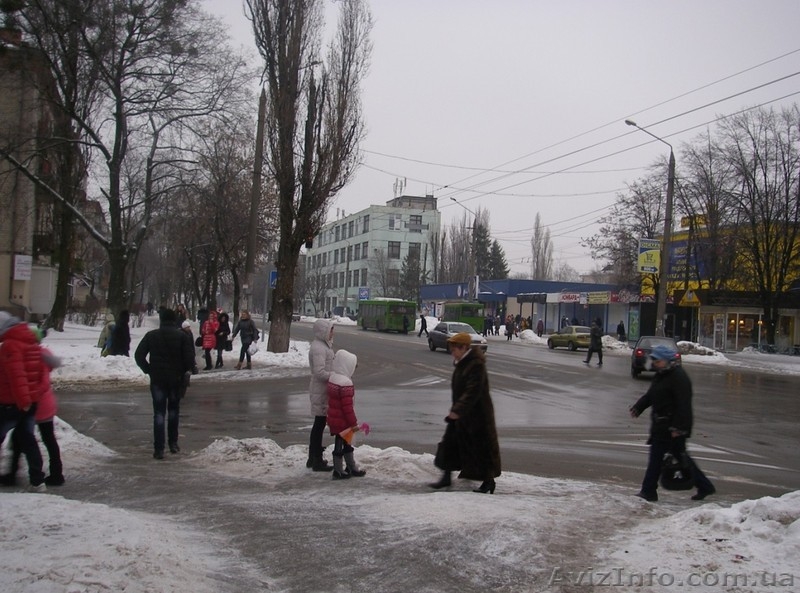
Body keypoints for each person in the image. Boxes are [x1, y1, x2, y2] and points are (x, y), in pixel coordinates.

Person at [629, 344, 716, 502]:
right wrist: (638, 407)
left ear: (667, 360)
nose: (654, 362)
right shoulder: (662, 375)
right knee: (677, 459)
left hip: (672, 428)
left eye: (657, 360)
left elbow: (683, 405)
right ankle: (704, 486)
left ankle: (648, 491)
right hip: (661, 426)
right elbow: (651, 395)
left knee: (666, 460)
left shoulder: (679, 377)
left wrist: (679, 428)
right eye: (653, 359)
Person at [430, 332, 501, 494]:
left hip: (477, 415)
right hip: (461, 413)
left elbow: (472, 391)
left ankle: (488, 481)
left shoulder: (475, 365)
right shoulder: (463, 362)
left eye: (455, 349)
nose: (452, 352)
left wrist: (457, 410)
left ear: (464, 348)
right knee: (449, 444)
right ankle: (446, 476)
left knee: (481, 448)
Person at [6, 327, 65, 486]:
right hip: (45, 404)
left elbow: (39, 382)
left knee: (21, 438)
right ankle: (56, 473)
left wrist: (30, 398)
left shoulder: (30, 354)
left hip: (35, 404)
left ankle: (13, 474)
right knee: (47, 439)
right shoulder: (43, 353)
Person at [135, 308, 196, 459]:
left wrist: (148, 369)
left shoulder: (151, 336)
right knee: (174, 411)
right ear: (174, 320)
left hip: (158, 380)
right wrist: (184, 371)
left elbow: (139, 355)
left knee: (159, 413)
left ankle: (159, 448)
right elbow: (189, 359)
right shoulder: (181, 336)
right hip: (176, 379)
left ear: (161, 319)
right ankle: (173, 444)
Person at [0, 312, 47, 491]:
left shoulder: (10, 345)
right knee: (28, 441)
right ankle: (37, 479)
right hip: (29, 402)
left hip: (12, 403)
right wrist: (32, 399)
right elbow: (40, 374)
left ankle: (34, 478)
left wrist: (23, 401)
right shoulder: (31, 344)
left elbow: (16, 376)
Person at [326, 350, 366, 480]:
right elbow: (347, 407)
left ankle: (349, 467)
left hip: (334, 418)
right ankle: (339, 470)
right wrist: (353, 423)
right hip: (343, 422)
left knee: (344, 443)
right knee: (343, 444)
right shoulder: (345, 383)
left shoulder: (333, 378)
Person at [307, 318, 335, 471]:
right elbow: (319, 372)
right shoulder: (319, 348)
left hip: (323, 390)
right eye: (331, 329)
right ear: (323, 331)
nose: (333, 333)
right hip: (320, 390)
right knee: (319, 424)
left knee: (319, 423)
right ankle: (315, 459)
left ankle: (313, 457)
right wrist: (335, 375)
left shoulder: (324, 346)